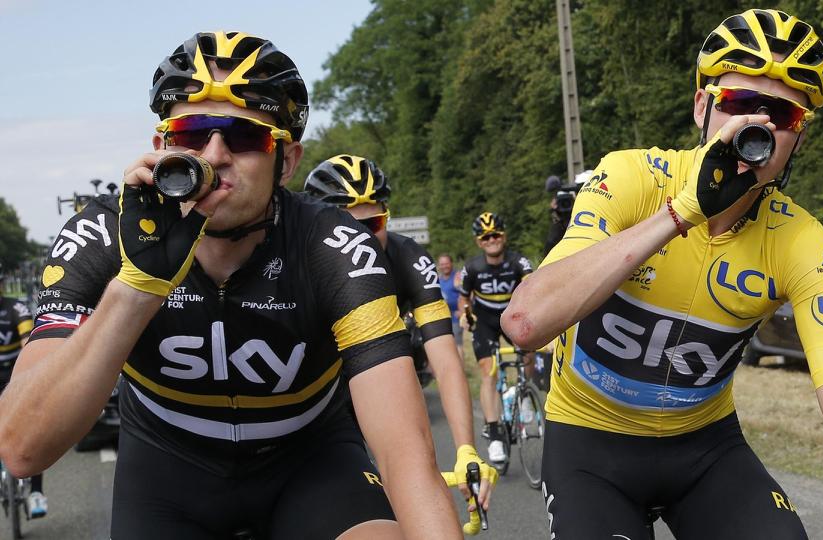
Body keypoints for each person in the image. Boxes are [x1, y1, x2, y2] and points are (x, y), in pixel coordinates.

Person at [0, 31, 459, 539]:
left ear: (286, 161)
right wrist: (137, 286)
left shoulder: (332, 244)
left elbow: (406, 458)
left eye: (243, 137)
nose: (214, 155)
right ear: (162, 146)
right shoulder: (103, 234)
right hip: (167, 479)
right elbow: (22, 447)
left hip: (311, 468)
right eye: (192, 134)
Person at [503, 9, 823, 539]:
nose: (758, 126)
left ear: (799, 138)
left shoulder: (801, 240)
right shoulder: (631, 177)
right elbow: (526, 322)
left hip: (705, 450)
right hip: (589, 444)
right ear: (703, 107)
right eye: (740, 104)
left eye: (782, 117)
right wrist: (680, 214)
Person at [303, 154, 497, 510]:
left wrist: (466, 449)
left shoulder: (408, 256)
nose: (361, 238)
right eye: (346, 224)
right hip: (313, 394)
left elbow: (445, 358)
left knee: (409, 480)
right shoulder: (297, 254)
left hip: (377, 377)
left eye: (374, 223)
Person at [457, 212, 534, 464]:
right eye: (486, 237)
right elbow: (464, 300)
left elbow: (532, 287)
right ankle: (495, 434)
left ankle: (523, 395)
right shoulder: (472, 268)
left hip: (512, 316)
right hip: (486, 322)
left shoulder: (518, 262)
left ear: (504, 235)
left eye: (496, 235)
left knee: (530, 350)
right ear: (479, 241)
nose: (492, 240)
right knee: (488, 371)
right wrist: (463, 315)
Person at [0, 267, 47, 519]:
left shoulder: (16, 308)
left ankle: (36, 492)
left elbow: (28, 341)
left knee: (32, 428)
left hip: (13, 372)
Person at [436, 253, 464, 355]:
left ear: (451, 263)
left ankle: (461, 369)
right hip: (443, 317)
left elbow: (467, 295)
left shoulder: (458, 276)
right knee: (446, 346)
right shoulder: (438, 279)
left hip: (456, 318)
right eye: (442, 264)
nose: (444, 266)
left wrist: (462, 311)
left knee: (457, 345)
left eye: (446, 263)